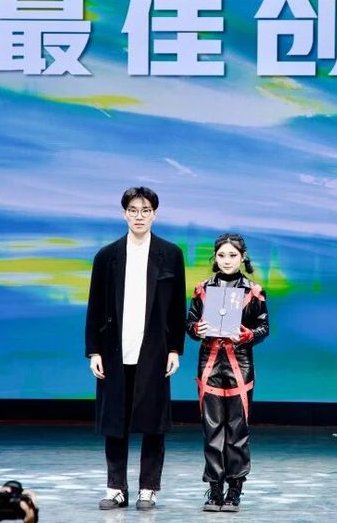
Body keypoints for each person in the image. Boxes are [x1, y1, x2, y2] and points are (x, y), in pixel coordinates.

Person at [84, 186, 188, 511]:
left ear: (154, 214)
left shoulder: (170, 254)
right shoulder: (107, 256)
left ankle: (148, 488)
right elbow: (94, 306)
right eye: (133, 210)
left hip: (155, 352)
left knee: (154, 422)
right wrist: (94, 351)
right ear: (124, 213)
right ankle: (116, 488)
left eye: (145, 210)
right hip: (114, 352)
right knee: (114, 422)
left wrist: (175, 349)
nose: (139, 216)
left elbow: (177, 307)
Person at [186, 233, 270, 513]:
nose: (227, 260)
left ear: (242, 257)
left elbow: (264, 328)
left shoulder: (254, 291)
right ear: (215, 257)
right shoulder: (202, 289)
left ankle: (235, 490)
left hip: (239, 365)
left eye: (233, 255)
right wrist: (196, 329)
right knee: (211, 429)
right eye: (222, 255)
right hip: (209, 364)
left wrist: (247, 335)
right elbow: (190, 323)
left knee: (237, 429)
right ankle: (214, 489)